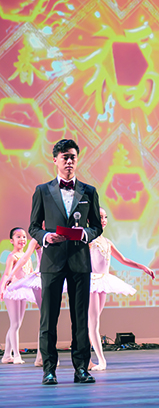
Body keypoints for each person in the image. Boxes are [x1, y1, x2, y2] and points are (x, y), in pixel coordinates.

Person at [29, 138, 103, 385]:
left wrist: (85, 233)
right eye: (65, 157)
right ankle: (49, 369)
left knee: (80, 318)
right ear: (55, 160)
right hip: (52, 261)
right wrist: (45, 236)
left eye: (73, 157)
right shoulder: (42, 190)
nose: (69, 161)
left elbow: (96, 227)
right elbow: (33, 226)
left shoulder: (89, 191)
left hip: (80, 261)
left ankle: (81, 369)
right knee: (48, 318)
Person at [88, 208, 155, 371]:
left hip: (103, 282)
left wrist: (142, 267)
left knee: (92, 323)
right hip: (91, 283)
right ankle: (101, 360)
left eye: (105, 217)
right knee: (93, 323)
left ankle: (87, 359)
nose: (103, 220)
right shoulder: (88, 240)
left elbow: (123, 260)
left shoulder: (107, 242)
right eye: (100, 217)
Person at [0, 228, 38, 364]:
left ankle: (6, 355)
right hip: (12, 291)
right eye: (18, 237)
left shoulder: (27, 256)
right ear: (12, 241)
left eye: (24, 237)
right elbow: (6, 273)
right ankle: (16, 355)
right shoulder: (12, 256)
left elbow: (30, 273)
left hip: (23, 290)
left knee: (16, 324)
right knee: (15, 324)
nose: (22, 239)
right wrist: (2, 288)